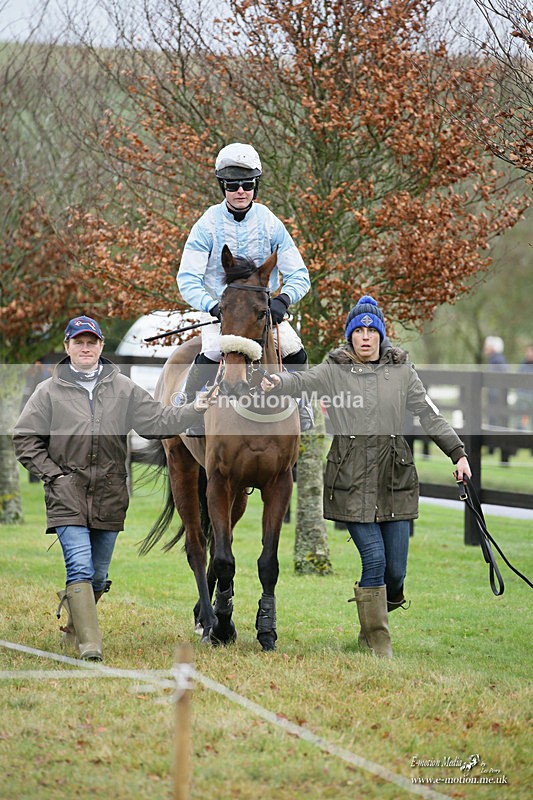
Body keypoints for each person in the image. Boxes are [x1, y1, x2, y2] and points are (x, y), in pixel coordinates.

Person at [261, 296, 471, 658]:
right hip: (351, 482)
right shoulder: (335, 369)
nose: (365, 337)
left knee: (396, 574)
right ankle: (379, 646)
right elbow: (303, 382)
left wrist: (459, 453)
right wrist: (276, 383)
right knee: (373, 560)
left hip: (395, 482)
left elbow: (430, 414)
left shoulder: (403, 370)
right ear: (350, 337)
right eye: (358, 330)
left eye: (371, 330)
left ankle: (369, 628)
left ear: (381, 336)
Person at [13, 315, 212, 662]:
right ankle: (91, 647)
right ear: (68, 347)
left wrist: (194, 408)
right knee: (79, 567)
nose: (85, 347)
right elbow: (24, 438)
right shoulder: (49, 391)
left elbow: (158, 422)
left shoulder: (124, 389)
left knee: (99, 576)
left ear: (101, 346)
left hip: (109, 494)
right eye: (79, 342)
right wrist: (53, 475)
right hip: (66, 492)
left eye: (91, 342)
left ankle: (74, 630)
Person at [177, 141, 312, 434]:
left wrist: (283, 300)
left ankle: (303, 406)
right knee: (212, 352)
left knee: (294, 350)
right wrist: (213, 306)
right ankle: (187, 409)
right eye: (232, 185)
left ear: (256, 186)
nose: (240, 191)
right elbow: (187, 279)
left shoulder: (271, 224)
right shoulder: (206, 225)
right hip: (220, 311)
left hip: (260, 311)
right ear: (222, 186)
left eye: (247, 184)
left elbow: (300, 274)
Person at [483, 335, 511, 462]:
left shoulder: (497, 361)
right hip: (497, 397)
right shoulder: (497, 360)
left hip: (496, 397)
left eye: (487, 346)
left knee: (494, 421)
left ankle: (493, 448)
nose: (485, 348)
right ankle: (493, 448)